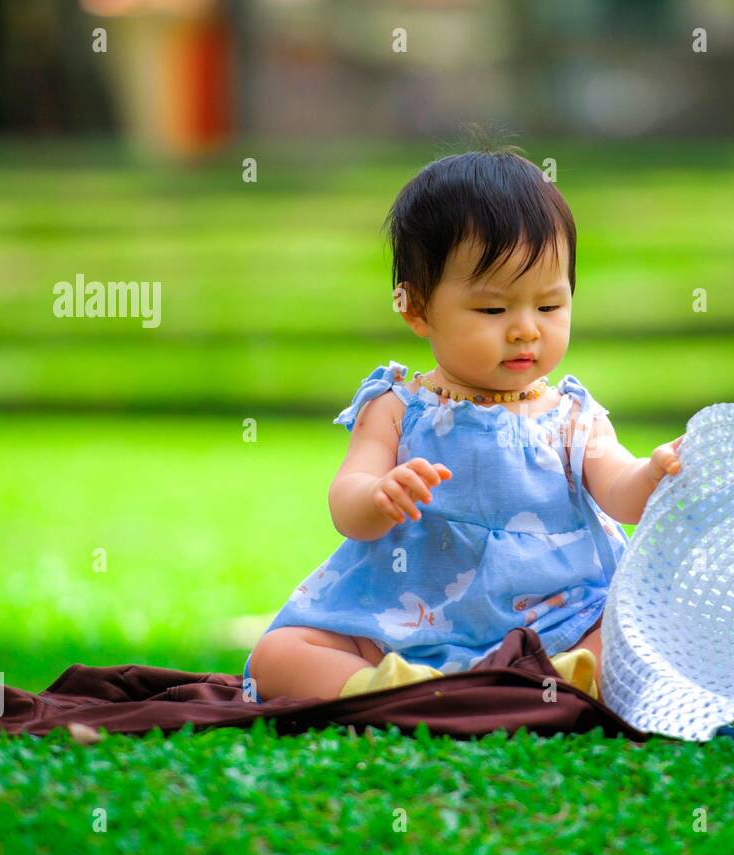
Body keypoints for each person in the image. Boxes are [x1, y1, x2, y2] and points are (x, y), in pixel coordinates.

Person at [244, 145, 684, 704]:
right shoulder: (398, 404)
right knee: (277, 655)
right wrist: (378, 496)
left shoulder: (572, 416)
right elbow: (346, 502)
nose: (526, 330)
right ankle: (398, 687)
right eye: (494, 310)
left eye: (549, 307)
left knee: (647, 619)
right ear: (417, 308)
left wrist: (654, 474)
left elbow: (621, 491)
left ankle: (567, 674)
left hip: (556, 622)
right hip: (406, 623)